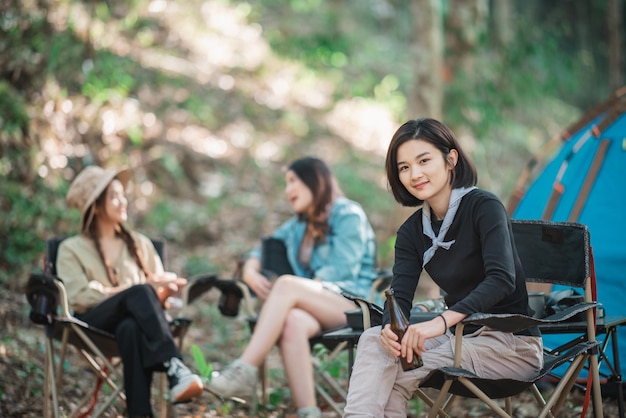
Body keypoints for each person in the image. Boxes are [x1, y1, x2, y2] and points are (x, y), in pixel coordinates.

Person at [342, 118, 543, 417]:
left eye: (424, 160)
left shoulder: (483, 206)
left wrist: (440, 323)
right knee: (374, 339)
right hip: (457, 337)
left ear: (451, 159)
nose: (415, 174)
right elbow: (399, 296)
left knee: (401, 373)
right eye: (404, 167)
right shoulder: (412, 232)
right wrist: (388, 328)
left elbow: (501, 279)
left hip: (511, 344)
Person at [207, 156, 378, 418]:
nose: (288, 191)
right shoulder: (299, 225)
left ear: (315, 181)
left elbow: (340, 272)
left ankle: (245, 369)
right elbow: (261, 249)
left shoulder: (348, 214)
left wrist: (297, 291)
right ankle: (308, 412)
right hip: (319, 307)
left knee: (287, 286)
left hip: (356, 306)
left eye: (293, 181)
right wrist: (251, 272)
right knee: (293, 322)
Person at [56, 165, 204, 418]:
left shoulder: (140, 244)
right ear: (96, 206)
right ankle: (174, 365)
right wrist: (138, 290)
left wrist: (166, 291)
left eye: (123, 194)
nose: (122, 201)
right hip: (91, 324)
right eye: (114, 196)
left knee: (130, 326)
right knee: (139, 293)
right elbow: (79, 298)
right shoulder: (71, 249)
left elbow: (152, 304)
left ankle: (140, 414)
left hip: (134, 327)